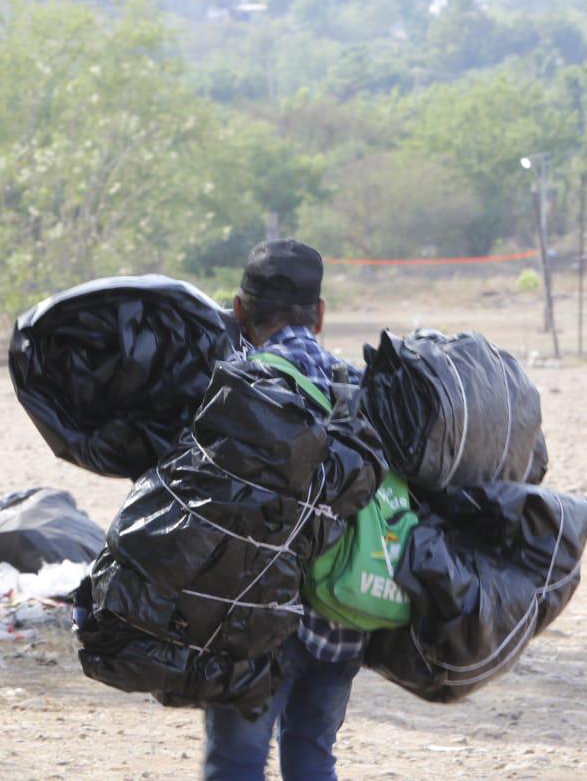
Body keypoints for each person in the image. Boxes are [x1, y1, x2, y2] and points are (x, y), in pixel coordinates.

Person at [203, 239, 365, 781]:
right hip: (343, 614)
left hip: (253, 618)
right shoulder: (358, 387)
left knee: (237, 762)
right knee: (312, 751)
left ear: (239, 309)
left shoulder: (230, 384)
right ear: (319, 314)